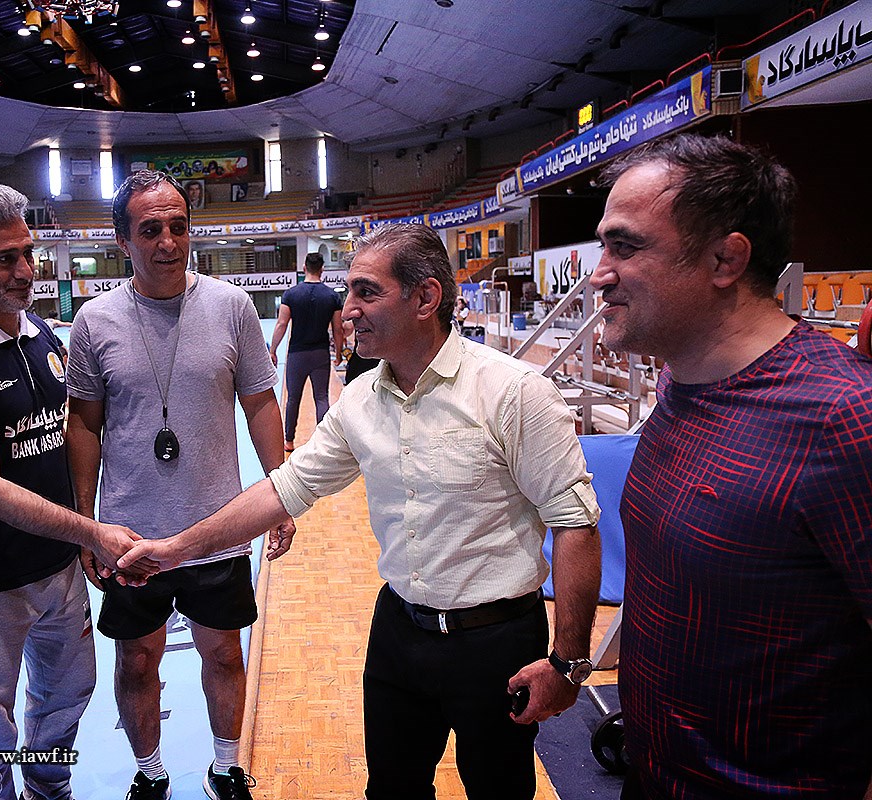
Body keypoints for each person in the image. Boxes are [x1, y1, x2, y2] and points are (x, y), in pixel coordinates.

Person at [119, 222, 602, 800]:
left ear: (425, 298)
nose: (347, 311)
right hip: (399, 632)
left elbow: (576, 524)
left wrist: (569, 663)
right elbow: (282, 489)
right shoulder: (360, 401)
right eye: (348, 292)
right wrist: (175, 550)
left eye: (366, 293)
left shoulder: (514, 392)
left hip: (495, 642)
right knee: (390, 791)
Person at [589, 134, 872, 799]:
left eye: (625, 247)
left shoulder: (845, 418)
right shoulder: (679, 384)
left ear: (725, 259)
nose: (599, 273)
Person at [0, 183, 151, 800]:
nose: (25, 270)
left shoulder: (41, 335)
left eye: (27, 252)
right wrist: (93, 531)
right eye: (4, 259)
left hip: (60, 570)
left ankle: (48, 789)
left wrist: (81, 535)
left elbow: (64, 442)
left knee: (69, 694)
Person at [65, 170, 289, 800]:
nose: (168, 242)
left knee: (224, 654)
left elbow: (261, 403)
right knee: (137, 659)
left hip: (218, 525)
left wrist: (280, 497)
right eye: (150, 230)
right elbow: (83, 424)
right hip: (129, 534)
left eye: (178, 226)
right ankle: (150, 772)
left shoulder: (232, 307)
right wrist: (86, 522)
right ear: (122, 241)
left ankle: (226, 766)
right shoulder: (94, 321)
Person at [269, 252, 343, 452]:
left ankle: (289, 441)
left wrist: (273, 350)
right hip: (320, 353)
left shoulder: (291, 294)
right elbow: (337, 329)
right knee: (321, 397)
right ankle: (324, 442)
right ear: (322, 270)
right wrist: (338, 353)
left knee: (293, 398)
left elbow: (282, 324)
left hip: (297, 354)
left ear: (304, 269)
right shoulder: (332, 296)